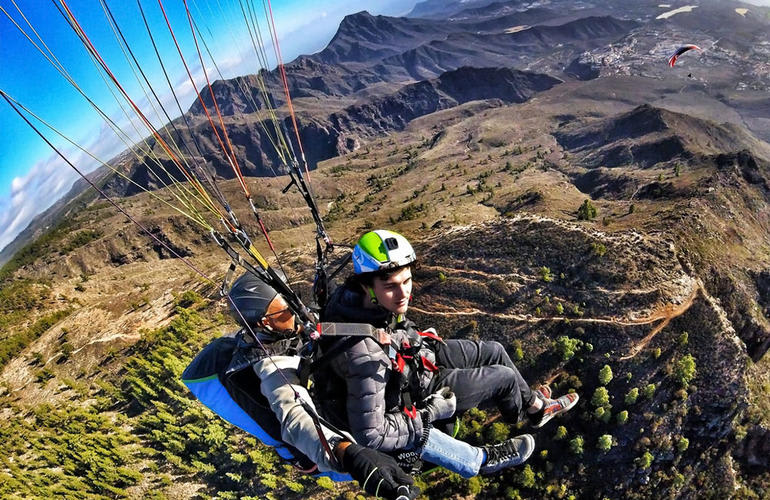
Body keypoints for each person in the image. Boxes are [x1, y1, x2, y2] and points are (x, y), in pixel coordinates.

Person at [314, 230, 578, 467]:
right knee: (505, 378)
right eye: (391, 286)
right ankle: (527, 411)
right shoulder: (363, 355)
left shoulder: (355, 300)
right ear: (366, 285)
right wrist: (432, 411)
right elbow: (371, 435)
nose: (403, 292)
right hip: (417, 389)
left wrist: (415, 335)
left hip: (413, 355)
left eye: (407, 281)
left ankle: (536, 408)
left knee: (495, 349)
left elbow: (392, 326)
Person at [184, 271, 419, 500]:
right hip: (324, 453)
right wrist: (349, 454)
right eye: (286, 307)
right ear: (265, 322)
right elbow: (295, 418)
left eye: (292, 298)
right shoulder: (271, 366)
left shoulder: (282, 332)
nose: (295, 308)